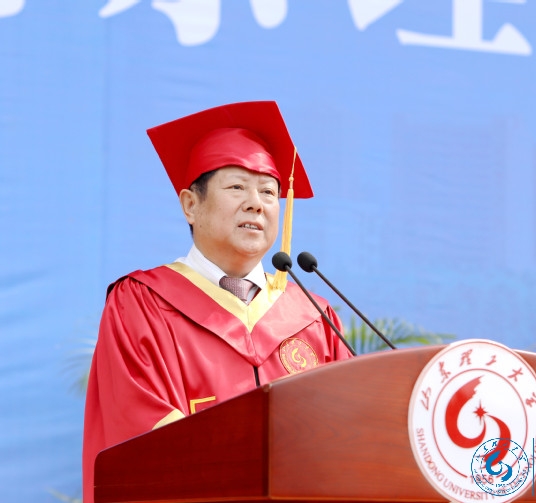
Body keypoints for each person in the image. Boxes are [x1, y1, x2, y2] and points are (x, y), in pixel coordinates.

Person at [82, 101, 353, 503]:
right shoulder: (141, 304)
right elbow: (138, 435)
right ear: (190, 205)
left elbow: (349, 438)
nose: (256, 203)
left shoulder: (314, 318)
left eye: (269, 191)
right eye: (237, 187)